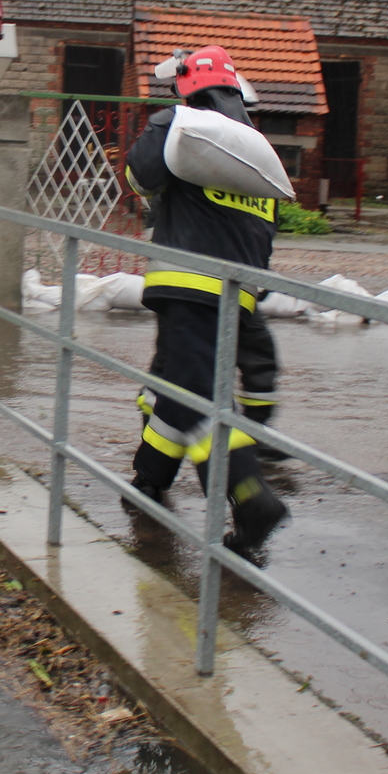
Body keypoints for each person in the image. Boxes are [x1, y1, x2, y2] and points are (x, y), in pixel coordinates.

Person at [123, 44, 290, 560]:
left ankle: (251, 498)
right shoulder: (255, 150)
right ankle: (148, 478)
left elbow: (138, 174)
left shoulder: (182, 124)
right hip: (237, 298)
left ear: (188, 88)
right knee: (176, 389)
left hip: (187, 286)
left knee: (195, 400)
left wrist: (162, 125)